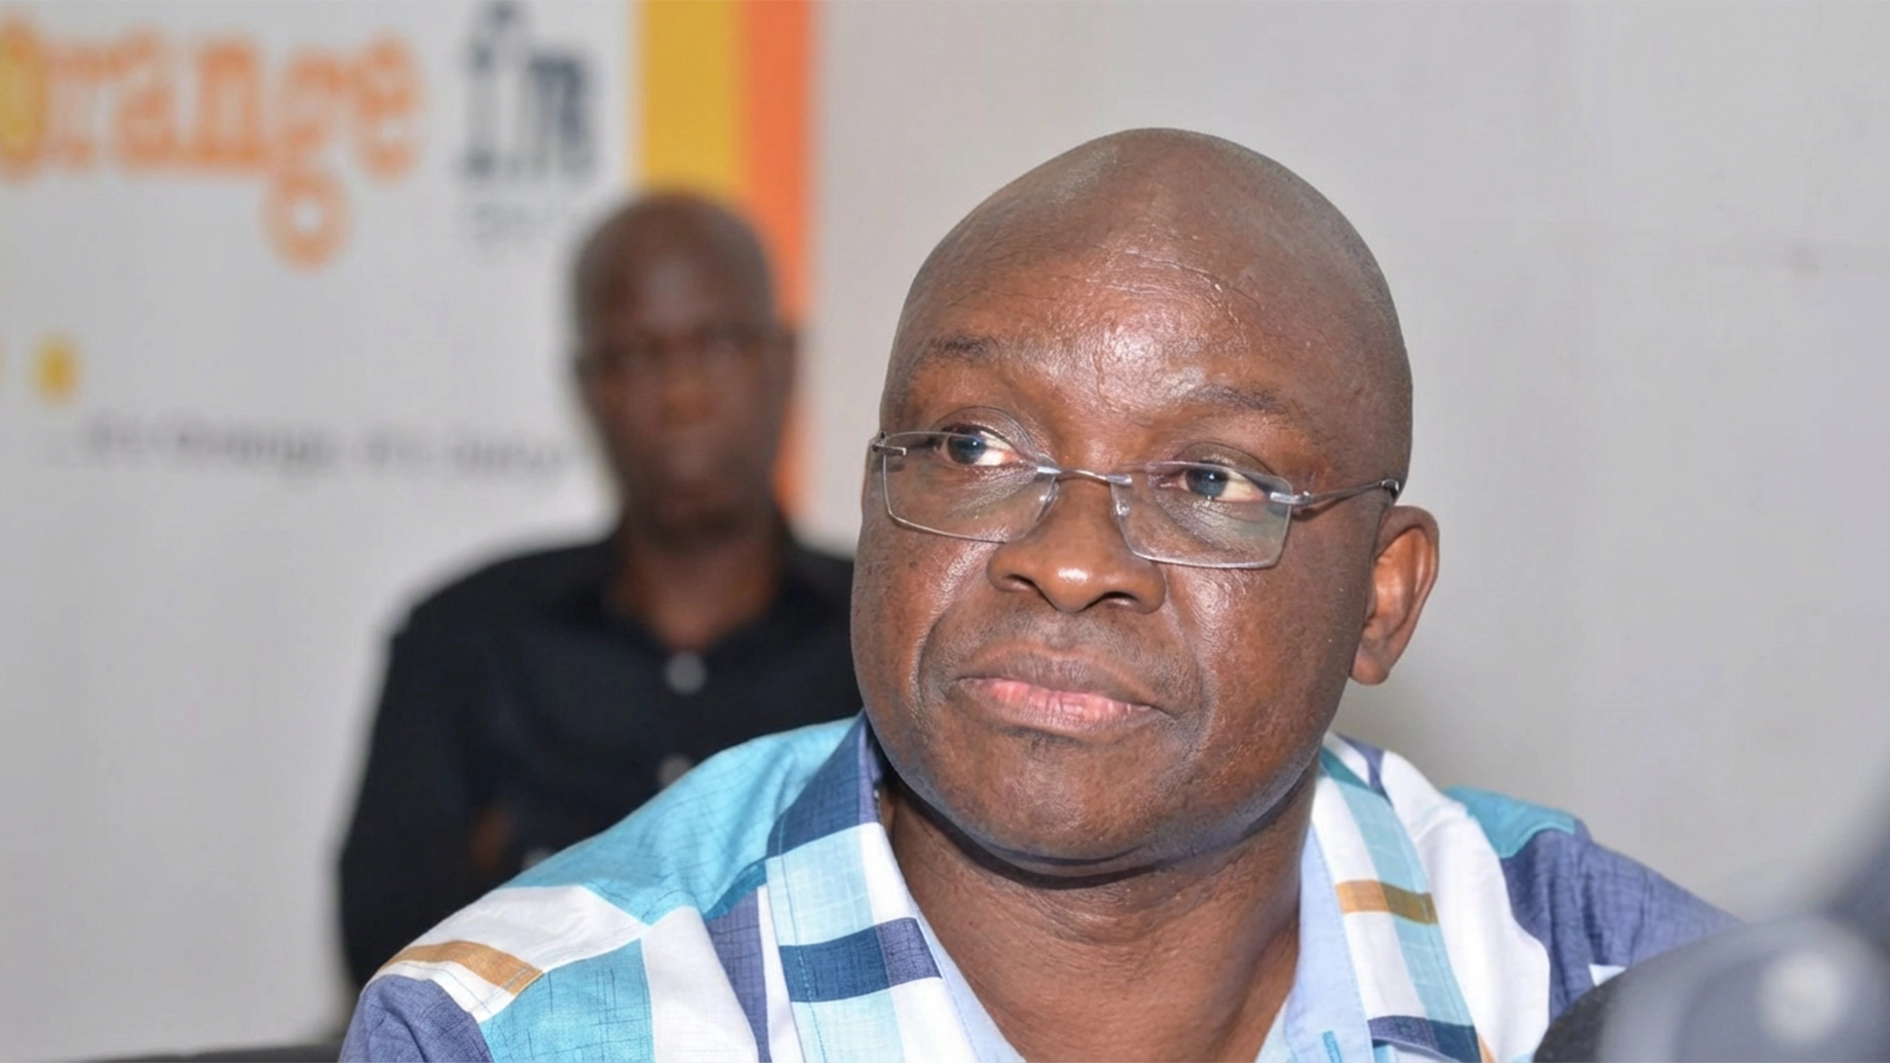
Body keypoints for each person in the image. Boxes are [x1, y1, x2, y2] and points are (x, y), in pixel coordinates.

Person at [341, 130, 1732, 1061]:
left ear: (1382, 597)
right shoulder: (524, 1027)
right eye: (974, 448)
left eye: (1209, 478)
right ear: (876, 490)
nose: (1067, 559)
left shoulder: (1615, 992)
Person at [336, 194, 860, 988]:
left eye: (717, 343)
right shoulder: (465, 640)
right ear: (589, 387)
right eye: (640, 354)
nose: (683, 394)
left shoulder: (880, 633)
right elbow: (393, 953)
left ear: (783, 362)